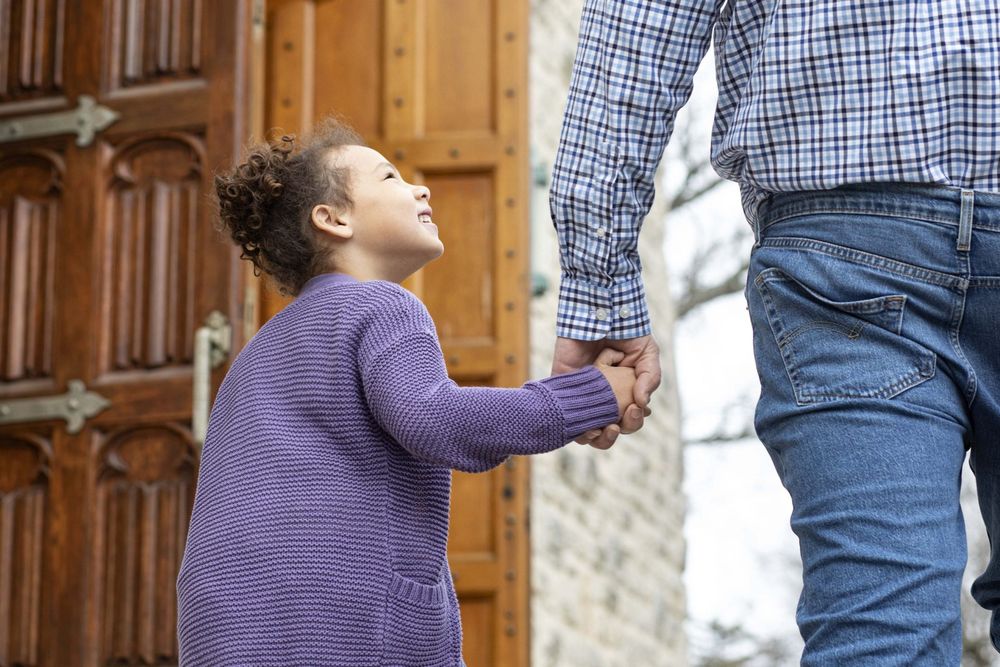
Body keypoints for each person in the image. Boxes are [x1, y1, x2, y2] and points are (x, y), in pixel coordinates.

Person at [550, 0, 1000, 664]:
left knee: (881, 631)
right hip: (843, 267)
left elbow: (640, 22)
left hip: (842, 245)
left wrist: (600, 289)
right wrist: (598, 281)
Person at [175, 120, 637, 666]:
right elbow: (436, 419)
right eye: (390, 177)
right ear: (333, 219)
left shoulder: (258, 351)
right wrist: (587, 396)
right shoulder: (381, 307)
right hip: (331, 612)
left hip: (220, 616)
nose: (422, 188)